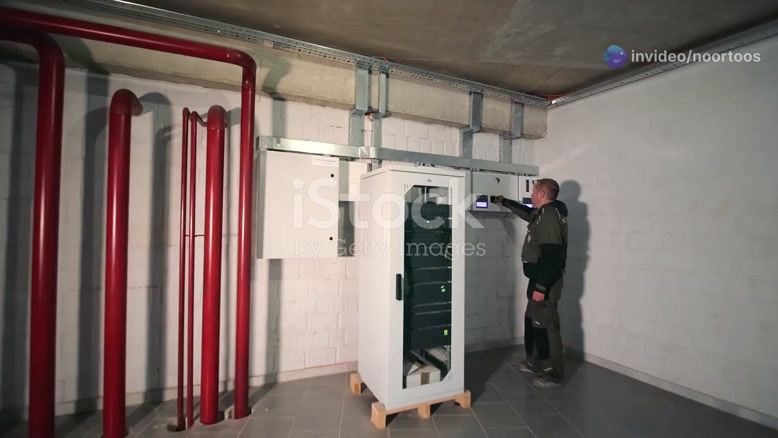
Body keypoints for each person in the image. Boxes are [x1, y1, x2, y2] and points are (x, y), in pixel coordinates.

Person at [495, 178, 568, 387]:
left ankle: (552, 374)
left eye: (534, 191)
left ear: (542, 194)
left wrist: (542, 286)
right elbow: (527, 213)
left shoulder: (550, 217)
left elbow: (551, 255)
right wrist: (504, 201)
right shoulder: (542, 213)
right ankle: (533, 362)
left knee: (546, 326)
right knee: (532, 320)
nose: (532, 195)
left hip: (545, 282)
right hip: (537, 278)